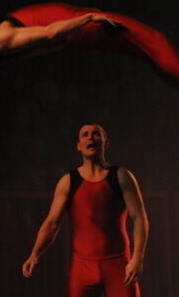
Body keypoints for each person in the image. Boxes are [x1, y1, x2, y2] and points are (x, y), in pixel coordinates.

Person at [0, 2, 179, 113]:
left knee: (147, 53)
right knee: (154, 41)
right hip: (84, 26)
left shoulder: (2, 52)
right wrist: (89, 18)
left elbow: (49, 45)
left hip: (80, 33)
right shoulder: (1, 41)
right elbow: (52, 33)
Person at [22, 124, 149, 297]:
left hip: (118, 264)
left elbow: (140, 219)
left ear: (106, 142)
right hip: (82, 266)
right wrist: (34, 255)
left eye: (96, 134)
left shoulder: (121, 176)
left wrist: (137, 258)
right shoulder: (68, 181)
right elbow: (52, 223)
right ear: (79, 145)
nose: (90, 137)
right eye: (85, 135)